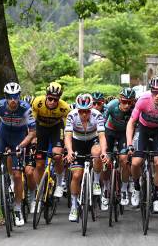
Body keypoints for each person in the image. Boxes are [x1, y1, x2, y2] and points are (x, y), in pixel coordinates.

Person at [0, 82, 35, 227]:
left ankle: (17, 209)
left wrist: (21, 145)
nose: (13, 100)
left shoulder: (26, 108)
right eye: (10, 97)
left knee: (17, 176)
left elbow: (32, 133)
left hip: (19, 137)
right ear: (6, 97)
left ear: (19, 96)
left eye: (16, 97)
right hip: (3, 134)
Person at [126, 76, 158, 214]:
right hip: (142, 129)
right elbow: (131, 123)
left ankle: (156, 197)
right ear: (151, 92)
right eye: (155, 92)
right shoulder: (143, 100)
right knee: (136, 162)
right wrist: (130, 144)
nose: (157, 96)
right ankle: (136, 187)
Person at [65, 93, 109, 222]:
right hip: (77, 141)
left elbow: (101, 136)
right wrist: (69, 151)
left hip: (92, 139)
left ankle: (96, 181)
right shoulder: (72, 115)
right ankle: (74, 205)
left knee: (97, 152)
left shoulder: (97, 115)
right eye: (81, 111)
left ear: (91, 110)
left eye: (87, 111)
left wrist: (104, 152)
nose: (84, 114)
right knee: (77, 175)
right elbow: (67, 136)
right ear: (77, 110)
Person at [31, 82, 70, 202]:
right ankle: (39, 189)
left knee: (57, 155)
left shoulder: (64, 108)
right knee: (39, 163)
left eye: (56, 99)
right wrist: (33, 137)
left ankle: (59, 183)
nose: (52, 102)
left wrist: (65, 144)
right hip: (40, 129)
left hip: (56, 129)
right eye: (50, 98)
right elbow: (32, 122)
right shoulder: (38, 102)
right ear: (46, 96)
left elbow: (67, 127)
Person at [101, 87, 136, 209]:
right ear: (119, 100)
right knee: (105, 161)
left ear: (133, 101)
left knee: (124, 159)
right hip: (109, 131)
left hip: (124, 134)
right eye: (124, 101)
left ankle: (124, 189)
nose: (127, 105)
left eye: (129, 102)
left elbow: (137, 126)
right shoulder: (111, 105)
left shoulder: (135, 108)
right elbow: (102, 123)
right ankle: (105, 189)